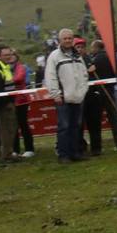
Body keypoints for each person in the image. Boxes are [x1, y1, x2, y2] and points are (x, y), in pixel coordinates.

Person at [44, 28, 89, 162]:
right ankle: (63, 155)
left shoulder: (78, 56)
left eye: (70, 38)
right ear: (60, 40)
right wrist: (56, 94)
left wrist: (82, 92)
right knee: (64, 127)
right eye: (65, 38)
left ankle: (75, 153)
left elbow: (84, 75)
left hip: (77, 97)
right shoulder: (54, 56)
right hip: (63, 98)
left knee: (76, 126)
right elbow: (50, 76)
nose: (68, 40)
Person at [83, 39, 117, 152]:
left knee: (96, 121)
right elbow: (116, 74)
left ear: (97, 48)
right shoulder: (111, 58)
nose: (91, 50)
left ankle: (98, 147)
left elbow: (90, 76)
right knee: (114, 118)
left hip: (98, 92)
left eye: (92, 48)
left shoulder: (95, 60)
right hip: (110, 91)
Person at [0, 45, 21, 164]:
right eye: (5, 55)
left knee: (11, 130)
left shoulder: (5, 67)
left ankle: (9, 153)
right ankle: (6, 155)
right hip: (4, 106)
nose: (8, 57)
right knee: (7, 131)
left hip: (9, 103)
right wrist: (4, 105)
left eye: (9, 54)